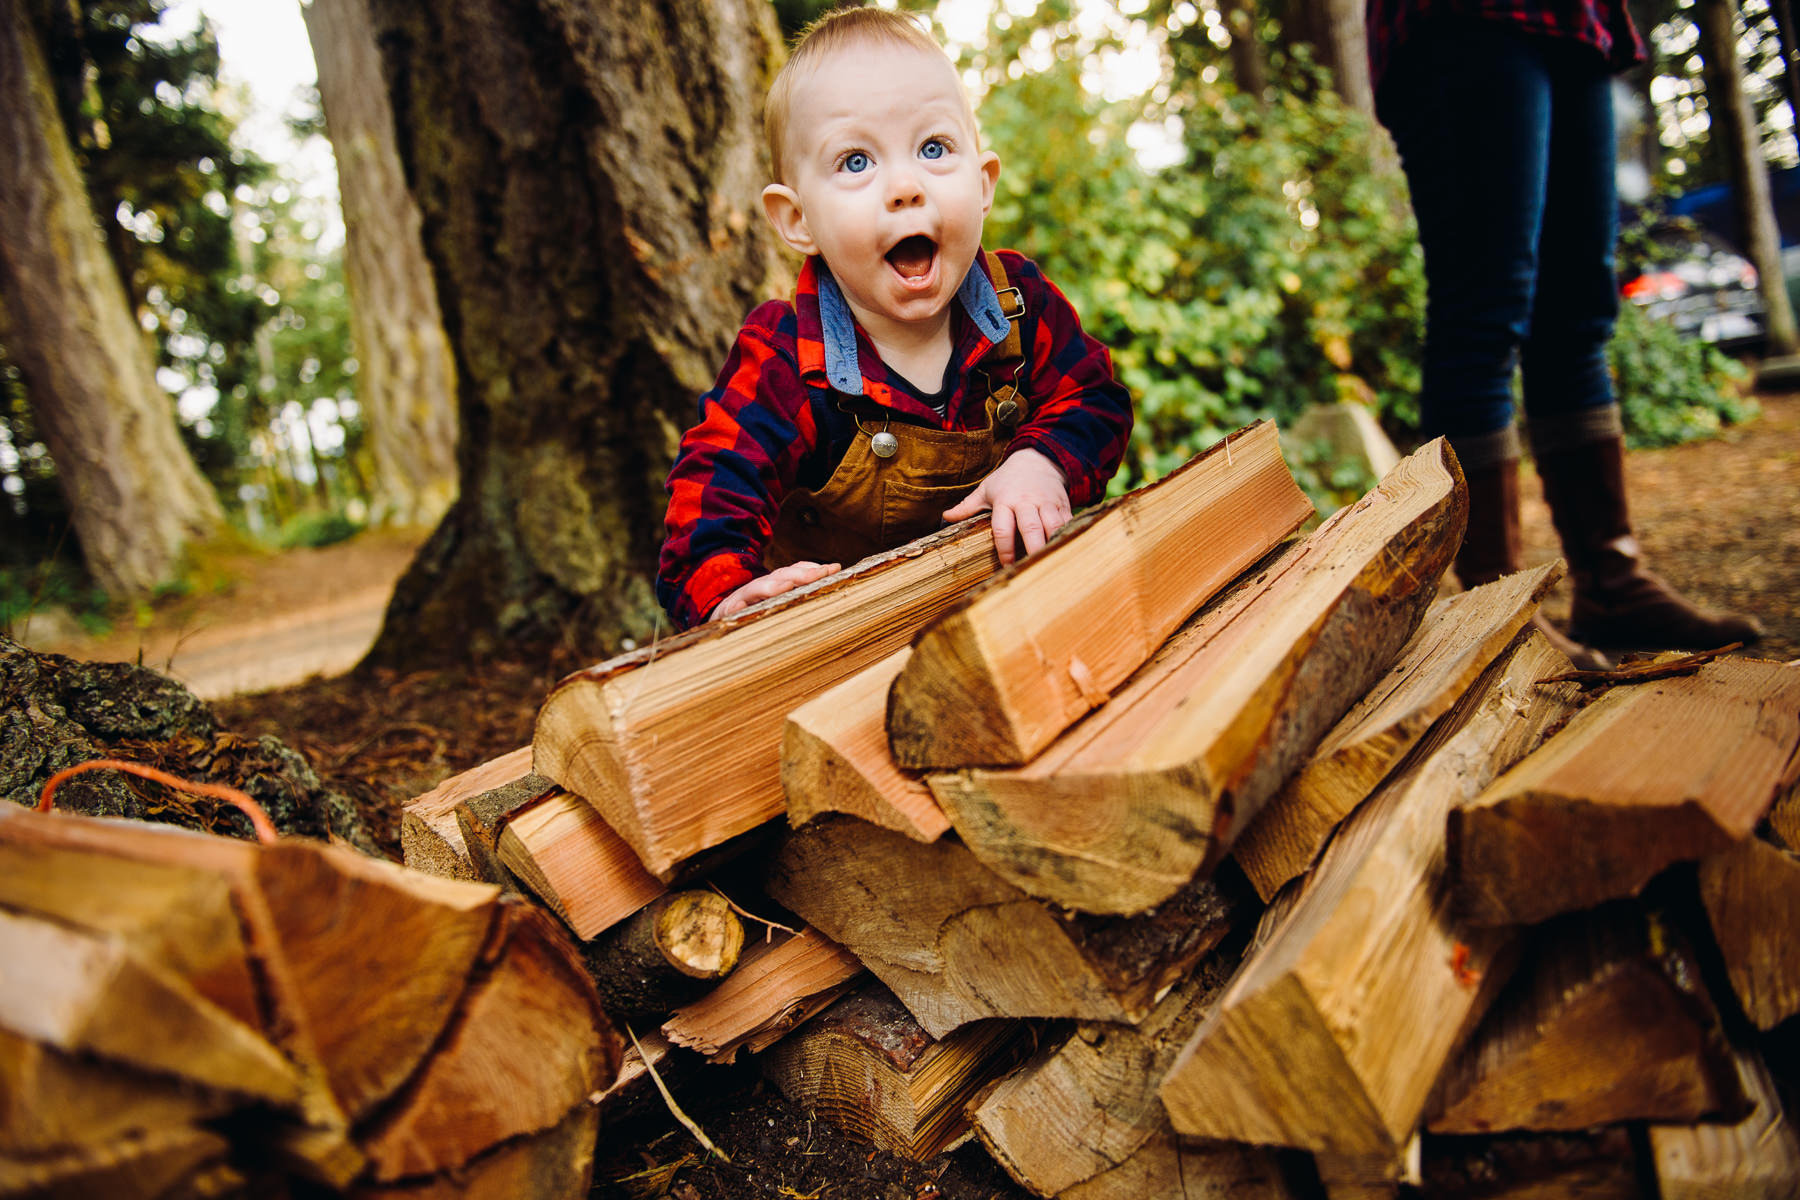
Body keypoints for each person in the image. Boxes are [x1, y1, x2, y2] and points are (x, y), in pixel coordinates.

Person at [656, 7, 1132, 631]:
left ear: (983, 183)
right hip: (834, 647)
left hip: (1001, 616)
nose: (905, 186)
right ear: (798, 221)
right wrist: (726, 592)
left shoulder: (1019, 304)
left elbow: (1096, 397)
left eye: (933, 149)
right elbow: (713, 488)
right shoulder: (784, 355)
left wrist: (1042, 463)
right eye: (856, 162)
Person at [1365, 0, 1763, 663]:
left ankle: (1611, 581)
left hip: (1580, 22)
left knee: (1579, 311)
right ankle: (1496, 607)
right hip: (1462, 20)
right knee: (1483, 310)